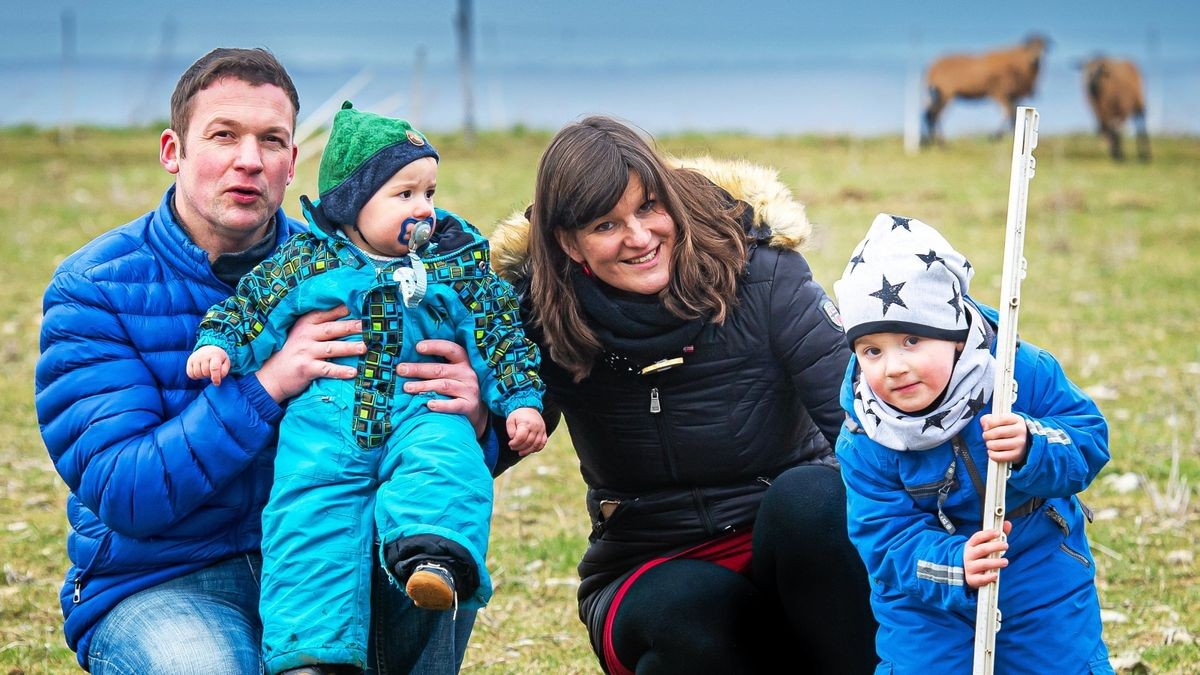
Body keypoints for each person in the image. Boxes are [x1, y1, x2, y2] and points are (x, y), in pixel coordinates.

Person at [34, 47, 492, 675]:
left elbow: (433, 459)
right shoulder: (96, 288)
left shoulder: (361, 270)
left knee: (439, 562)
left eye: (271, 140)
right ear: (174, 151)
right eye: (224, 135)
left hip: (332, 552)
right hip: (168, 579)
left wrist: (476, 413)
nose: (249, 160)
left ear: (292, 162)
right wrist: (268, 383)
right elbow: (123, 489)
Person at [488, 115, 879, 674]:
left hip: (786, 548)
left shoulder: (765, 273)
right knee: (690, 615)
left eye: (649, 207)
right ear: (568, 244)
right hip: (648, 560)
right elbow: (485, 447)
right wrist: (462, 402)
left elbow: (868, 425)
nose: (640, 237)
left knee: (814, 501)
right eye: (606, 225)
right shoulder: (541, 311)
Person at [187, 101, 546, 674]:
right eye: (404, 195)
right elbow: (253, 307)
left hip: (420, 404)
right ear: (352, 204)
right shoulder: (306, 263)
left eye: (429, 192)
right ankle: (313, 657)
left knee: (444, 457)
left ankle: (435, 554)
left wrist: (519, 401)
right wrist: (221, 344)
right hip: (326, 421)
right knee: (310, 520)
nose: (424, 210)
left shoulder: (453, 265)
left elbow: (498, 332)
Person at [832, 213, 1112, 672]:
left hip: (1039, 564)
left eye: (911, 339)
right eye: (872, 351)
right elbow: (883, 539)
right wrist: (955, 564)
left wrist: (1032, 444)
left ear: (956, 337)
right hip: (925, 599)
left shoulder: (1017, 372)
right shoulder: (866, 432)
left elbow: (1089, 441)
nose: (894, 366)